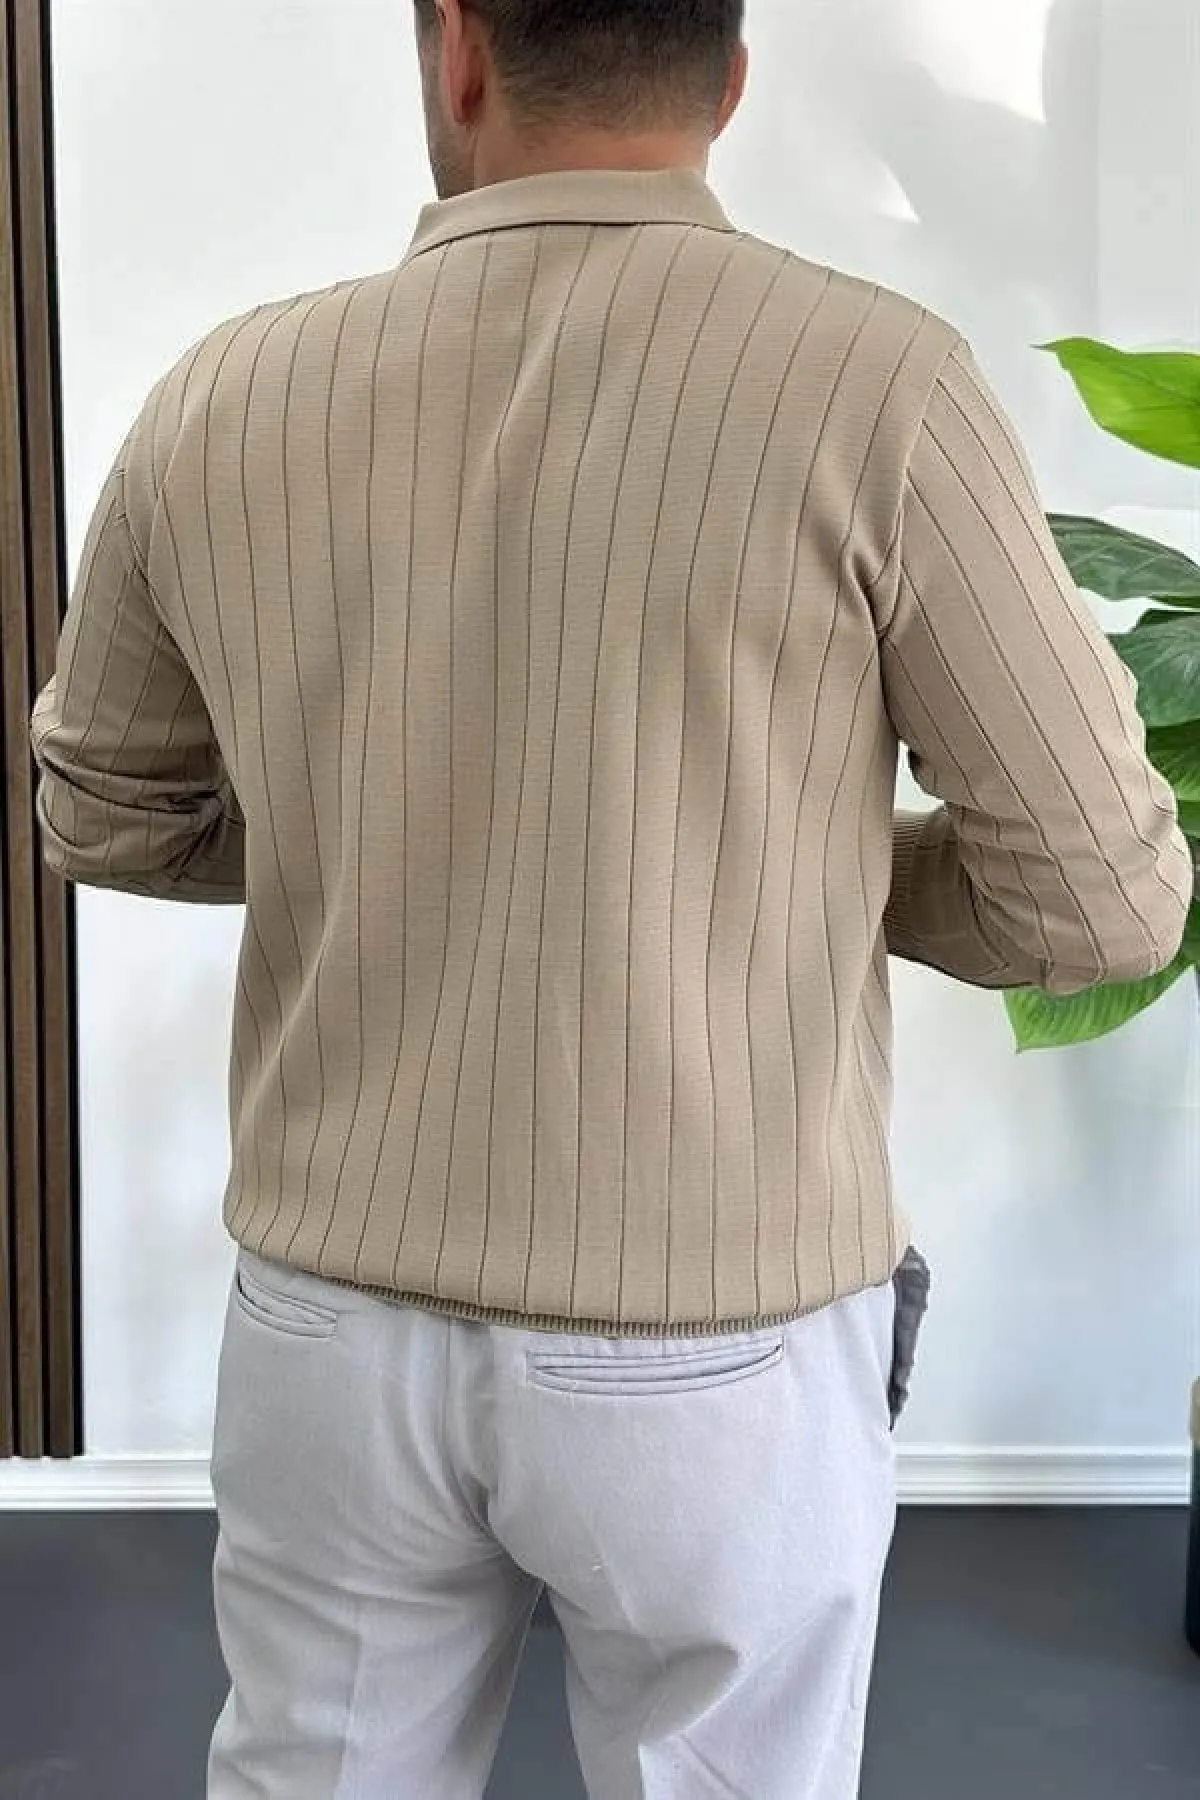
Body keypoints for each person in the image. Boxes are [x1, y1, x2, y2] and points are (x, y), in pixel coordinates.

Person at [31, 2, 1192, 1795]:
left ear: (456, 51)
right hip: (719, 1342)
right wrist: (782, 860)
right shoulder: (876, 385)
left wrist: (409, 833)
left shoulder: (225, 393)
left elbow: (102, 813)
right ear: (731, 78)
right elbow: (1100, 905)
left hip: (331, 1324)